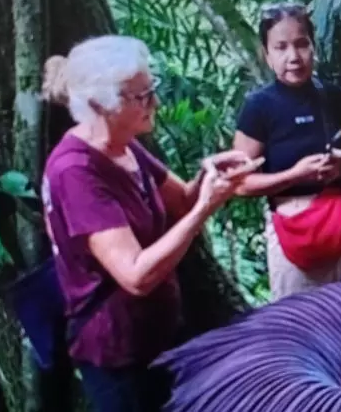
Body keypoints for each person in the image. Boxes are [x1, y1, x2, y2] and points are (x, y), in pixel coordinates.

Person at [39, 35, 256, 412]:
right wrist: (204, 210)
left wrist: (212, 176)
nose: (153, 102)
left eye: (150, 90)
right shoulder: (75, 172)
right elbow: (136, 276)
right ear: (99, 105)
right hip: (118, 357)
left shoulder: (124, 145)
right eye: (140, 97)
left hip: (160, 338)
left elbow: (183, 200)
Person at [233, 2, 341, 301]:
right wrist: (296, 174)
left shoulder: (331, 97)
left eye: (301, 44)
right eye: (281, 47)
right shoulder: (259, 107)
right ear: (267, 55)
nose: (293, 57)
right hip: (290, 230)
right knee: (301, 328)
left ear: (313, 47)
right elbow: (241, 183)